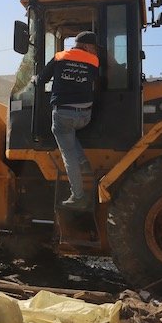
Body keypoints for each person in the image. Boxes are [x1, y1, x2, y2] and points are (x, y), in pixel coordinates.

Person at [34, 31, 101, 210]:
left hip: (64, 114)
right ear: (86, 46)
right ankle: (84, 162)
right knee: (69, 136)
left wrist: (35, 79)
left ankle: (78, 196)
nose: (94, 51)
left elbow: (41, 80)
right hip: (85, 115)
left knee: (67, 152)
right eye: (93, 47)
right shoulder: (94, 61)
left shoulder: (60, 57)